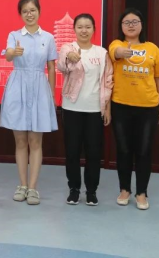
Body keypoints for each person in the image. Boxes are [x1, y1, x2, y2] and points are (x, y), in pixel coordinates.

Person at [0, 0, 57, 205]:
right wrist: (13, 52)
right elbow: (7, 55)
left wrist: (51, 95)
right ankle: (22, 185)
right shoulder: (14, 35)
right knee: (21, 140)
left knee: (35, 141)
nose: (29, 14)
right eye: (25, 11)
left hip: (40, 88)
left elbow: (51, 67)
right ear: (20, 14)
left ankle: (33, 188)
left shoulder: (48, 37)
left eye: (32, 10)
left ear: (39, 12)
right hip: (18, 86)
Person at [109, 8, 159, 210]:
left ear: (142, 25)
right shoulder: (117, 44)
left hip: (148, 107)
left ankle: (141, 193)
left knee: (144, 150)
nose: (131, 25)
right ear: (121, 26)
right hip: (121, 106)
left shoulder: (153, 49)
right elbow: (115, 53)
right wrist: (122, 52)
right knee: (124, 149)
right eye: (126, 22)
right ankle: (124, 189)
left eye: (135, 21)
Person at [57, 13, 113, 206]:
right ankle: (74, 189)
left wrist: (107, 108)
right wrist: (70, 57)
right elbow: (61, 65)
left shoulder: (102, 53)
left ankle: (91, 191)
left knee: (93, 153)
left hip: (95, 109)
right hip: (71, 107)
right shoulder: (68, 48)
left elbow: (108, 81)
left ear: (94, 29)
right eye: (80, 27)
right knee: (72, 151)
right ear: (74, 29)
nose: (84, 30)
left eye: (88, 27)